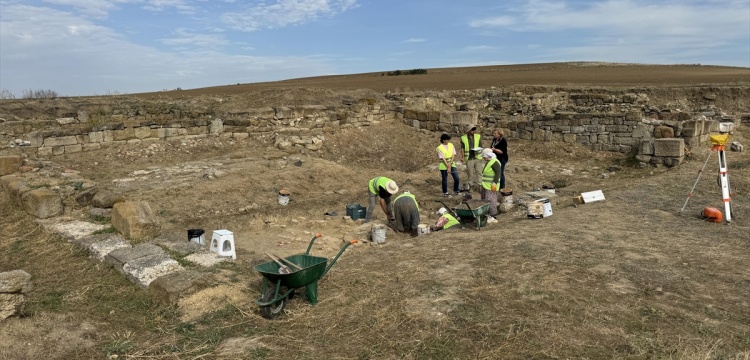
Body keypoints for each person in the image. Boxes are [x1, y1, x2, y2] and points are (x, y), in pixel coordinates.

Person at [480, 148, 501, 223]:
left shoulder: (495, 162)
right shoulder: (490, 161)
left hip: (491, 185)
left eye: (484, 156)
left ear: (488, 155)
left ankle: (493, 216)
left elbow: (498, 173)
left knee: (491, 200)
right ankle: (487, 214)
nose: (483, 158)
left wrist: (494, 183)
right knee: (485, 200)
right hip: (486, 185)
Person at [460, 125, 483, 192]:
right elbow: (462, 148)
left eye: (474, 129)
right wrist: (462, 157)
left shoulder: (478, 136)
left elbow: (481, 146)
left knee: (479, 172)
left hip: (477, 157)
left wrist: (478, 150)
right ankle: (471, 186)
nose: (473, 131)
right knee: (470, 173)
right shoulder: (463, 138)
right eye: (472, 130)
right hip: (469, 158)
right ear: (468, 131)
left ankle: (480, 186)